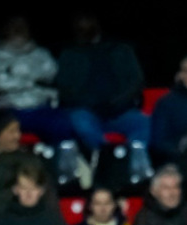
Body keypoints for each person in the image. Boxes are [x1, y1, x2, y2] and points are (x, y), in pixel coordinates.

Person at [56, 14, 149, 154]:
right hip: (86, 112)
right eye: (80, 24)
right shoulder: (69, 54)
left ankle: (136, 161)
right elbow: (64, 88)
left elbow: (136, 81)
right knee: (80, 121)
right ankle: (105, 158)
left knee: (142, 122)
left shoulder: (121, 49)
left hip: (121, 111)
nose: (84, 27)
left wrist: (117, 103)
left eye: (87, 21)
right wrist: (90, 104)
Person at [0, 16, 73, 145]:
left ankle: (63, 156)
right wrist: (32, 81)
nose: (18, 29)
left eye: (22, 26)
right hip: (8, 109)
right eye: (14, 26)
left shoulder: (40, 53)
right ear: (5, 29)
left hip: (40, 107)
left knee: (63, 123)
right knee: (4, 129)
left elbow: (51, 73)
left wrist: (14, 74)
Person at [0, 113, 54, 219]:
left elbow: (48, 197)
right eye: (11, 131)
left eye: (18, 130)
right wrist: (13, 190)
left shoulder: (30, 160)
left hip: (32, 220)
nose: (17, 136)